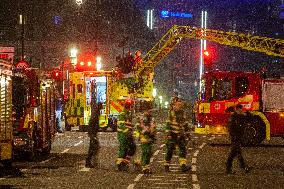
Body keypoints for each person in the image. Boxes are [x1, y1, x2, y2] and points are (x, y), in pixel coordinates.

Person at [164, 95, 190, 172]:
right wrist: (168, 134)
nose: (179, 106)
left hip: (180, 134)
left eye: (180, 104)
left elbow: (185, 123)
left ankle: (183, 166)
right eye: (178, 104)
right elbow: (168, 124)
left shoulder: (182, 113)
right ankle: (166, 166)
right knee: (170, 150)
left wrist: (188, 134)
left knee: (182, 149)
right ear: (174, 105)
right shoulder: (171, 113)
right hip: (172, 134)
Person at [225, 104, 252, 174]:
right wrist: (234, 137)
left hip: (239, 137)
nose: (241, 111)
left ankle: (230, 168)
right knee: (236, 152)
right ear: (236, 110)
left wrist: (247, 112)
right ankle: (243, 166)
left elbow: (250, 117)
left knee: (235, 153)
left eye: (241, 109)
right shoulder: (233, 117)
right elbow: (231, 129)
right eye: (239, 109)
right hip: (235, 138)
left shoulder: (241, 116)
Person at [116, 99, 136, 171]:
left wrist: (131, 132)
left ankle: (124, 162)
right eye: (131, 106)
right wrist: (127, 132)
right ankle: (119, 164)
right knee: (123, 148)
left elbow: (129, 124)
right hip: (122, 135)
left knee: (132, 148)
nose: (132, 108)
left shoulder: (128, 114)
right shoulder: (122, 114)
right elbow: (122, 125)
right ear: (129, 106)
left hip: (127, 134)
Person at [136, 108, 156, 174]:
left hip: (150, 138)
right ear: (145, 111)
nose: (150, 112)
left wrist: (153, 133)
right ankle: (144, 167)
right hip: (144, 138)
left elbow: (154, 127)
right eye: (148, 111)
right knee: (146, 151)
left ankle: (144, 165)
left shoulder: (152, 119)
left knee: (150, 152)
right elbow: (138, 127)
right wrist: (143, 131)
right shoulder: (142, 118)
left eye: (150, 111)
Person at [85, 102, 103, 168]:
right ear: (99, 106)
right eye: (101, 106)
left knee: (94, 147)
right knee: (93, 147)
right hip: (92, 133)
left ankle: (91, 161)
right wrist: (92, 134)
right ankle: (89, 162)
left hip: (93, 133)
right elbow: (91, 123)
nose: (102, 107)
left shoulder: (97, 112)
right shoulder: (96, 113)